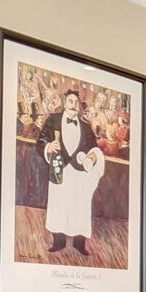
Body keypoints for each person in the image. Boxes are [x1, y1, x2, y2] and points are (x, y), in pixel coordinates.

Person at [36, 88, 104, 257]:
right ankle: (58, 242)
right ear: (65, 103)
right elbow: (41, 140)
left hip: (79, 174)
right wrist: (48, 146)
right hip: (60, 169)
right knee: (58, 205)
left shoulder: (86, 127)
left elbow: (94, 148)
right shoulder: (53, 119)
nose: (73, 105)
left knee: (79, 206)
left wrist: (91, 157)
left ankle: (79, 244)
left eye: (76, 102)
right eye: (70, 101)